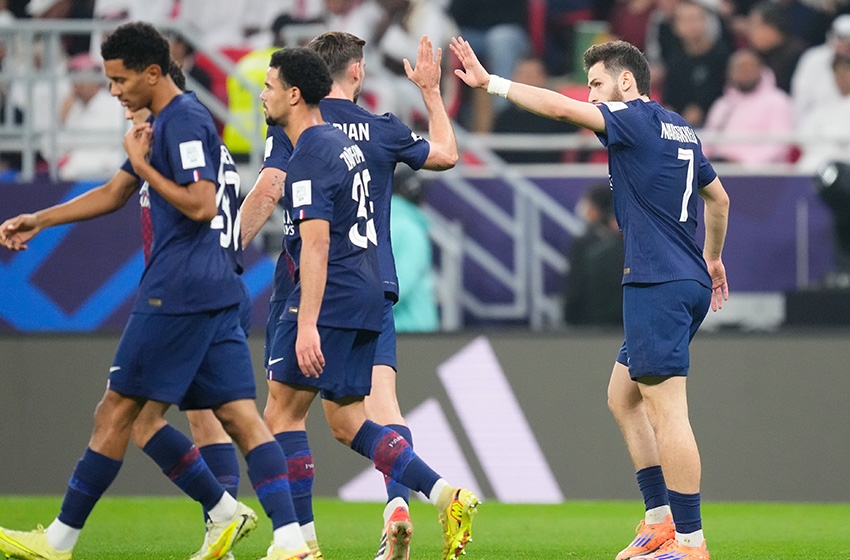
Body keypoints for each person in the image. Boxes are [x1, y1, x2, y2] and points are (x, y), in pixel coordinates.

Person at [0, 22, 311, 560]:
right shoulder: (167, 121)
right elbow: (117, 191)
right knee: (238, 417)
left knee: (116, 412)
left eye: (120, 80)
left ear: (151, 72)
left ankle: (59, 541)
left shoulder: (182, 121)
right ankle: (287, 539)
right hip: (216, 285)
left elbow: (201, 204)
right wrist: (40, 219)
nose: (113, 91)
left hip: (178, 290)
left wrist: (144, 163)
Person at [450, 37, 730, 560]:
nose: (592, 96)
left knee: (668, 411)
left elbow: (560, 108)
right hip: (687, 278)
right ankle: (659, 521)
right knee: (623, 397)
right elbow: (719, 198)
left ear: (627, 81)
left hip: (656, 282)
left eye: (597, 84)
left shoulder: (633, 117)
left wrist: (493, 84)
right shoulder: (680, 127)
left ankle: (691, 543)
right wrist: (712, 258)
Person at [242, 32, 464, 560]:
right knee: (371, 410)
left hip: (314, 284)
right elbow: (447, 155)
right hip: (374, 283)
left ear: (304, 83)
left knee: (284, 413)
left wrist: (225, 250)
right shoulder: (380, 128)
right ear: (357, 71)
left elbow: (271, 190)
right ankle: (404, 504)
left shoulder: (301, 128)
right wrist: (431, 92)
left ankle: (299, 540)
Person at [702, 47, 795, 166]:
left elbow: (780, 144)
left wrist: (744, 162)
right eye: (740, 68)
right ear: (729, 73)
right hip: (719, 169)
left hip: (761, 171)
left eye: (750, 67)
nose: (745, 73)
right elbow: (708, 141)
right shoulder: (722, 105)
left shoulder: (778, 101)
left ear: (761, 69)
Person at [562, 183, 624, 327]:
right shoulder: (632, 244)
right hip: (626, 323)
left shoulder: (583, 244)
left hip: (591, 325)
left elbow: (575, 289)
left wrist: (570, 318)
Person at [791, 14, 850, 122]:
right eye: (841, 38)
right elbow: (801, 98)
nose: (845, 45)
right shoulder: (813, 59)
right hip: (815, 122)